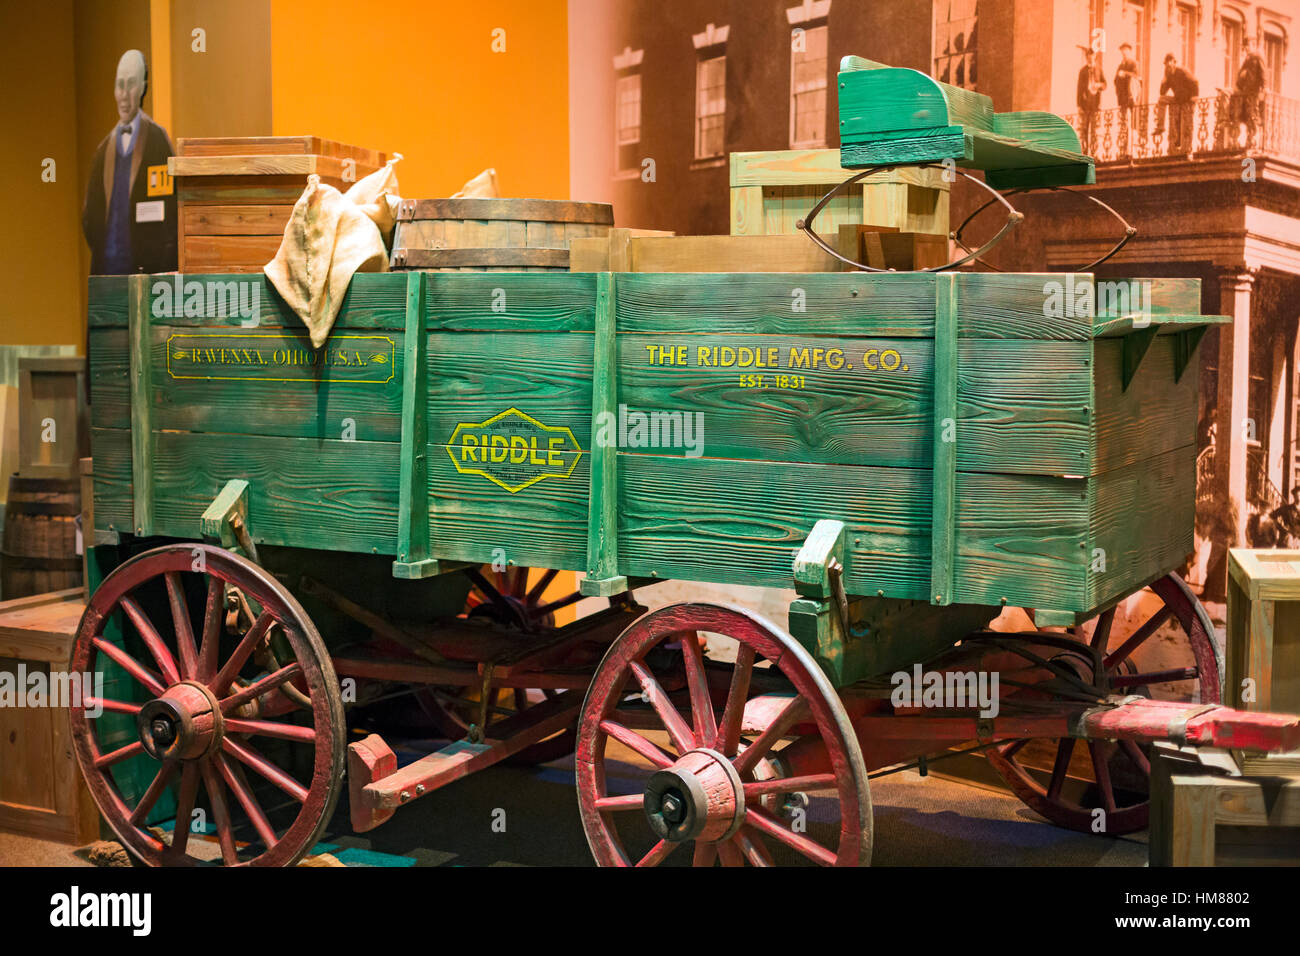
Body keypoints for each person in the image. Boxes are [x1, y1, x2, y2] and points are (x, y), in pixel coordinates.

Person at [82, 50, 177, 276]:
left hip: (148, 273)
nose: (124, 95)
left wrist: (161, 263)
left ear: (143, 87)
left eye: (131, 84)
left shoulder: (157, 140)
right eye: (119, 85)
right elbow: (90, 217)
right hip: (107, 271)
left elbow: (171, 211)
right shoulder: (103, 150)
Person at [1153, 53, 1199, 154]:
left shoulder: (1182, 70)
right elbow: (1162, 92)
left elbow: (1195, 81)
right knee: (1161, 99)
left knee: (1182, 122)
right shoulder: (1168, 75)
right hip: (1177, 99)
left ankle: (1179, 143)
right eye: (1166, 64)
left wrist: (1195, 96)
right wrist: (1164, 80)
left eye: (1170, 63)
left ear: (1174, 62)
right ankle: (1160, 126)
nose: (1168, 65)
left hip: (1187, 98)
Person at [1233, 37, 1266, 148]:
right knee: (1245, 116)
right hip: (1246, 92)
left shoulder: (1258, 57)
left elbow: (1263, 74)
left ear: (1253, 44)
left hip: (1254, 91)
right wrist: (1238, 86)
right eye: (1245, 46)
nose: (1246, 48)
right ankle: (1248, 139)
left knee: (1253, 115)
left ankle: (1253, 141)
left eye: (1248, 46)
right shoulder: (1248, 58)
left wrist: (1263, 89)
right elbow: (1242, 74)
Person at [1076, 48, 1107, 155]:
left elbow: (1105, 85)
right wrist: (1079, 105)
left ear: (1094, 57)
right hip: (1085, 105)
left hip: (1095, 105)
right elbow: (1079, 89)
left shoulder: (1099, 69)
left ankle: (1094, 153)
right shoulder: (1083, 71)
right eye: (1088, 57)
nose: (1090, 59)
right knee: (1083, 130)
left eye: (1091, 57)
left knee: (1095, 130)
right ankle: (1084, 153)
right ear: (1086, 58)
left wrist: (1098, 85)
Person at [1113, 43, 1141, 141]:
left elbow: (1137, 76)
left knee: (1132, 119)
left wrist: (1124, 73)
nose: (1124, 53)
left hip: (1131, 96)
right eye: (1122, 51)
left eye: (1125, 51)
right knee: (1124, 121)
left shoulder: (1133, 63)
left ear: (1129, 51)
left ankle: (1133, 140)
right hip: (1123, 97)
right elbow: (1115, 80)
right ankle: (1124, 140)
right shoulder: (1120, 65)